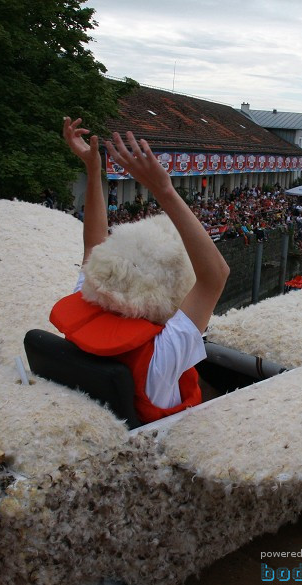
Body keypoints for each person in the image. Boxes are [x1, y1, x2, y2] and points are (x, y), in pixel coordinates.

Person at [50, 117, 229, 424]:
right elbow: (215, 275)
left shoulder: (85, 301)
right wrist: (163, 190)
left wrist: (94, 169)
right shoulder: (161, 357)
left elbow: (93, 244)